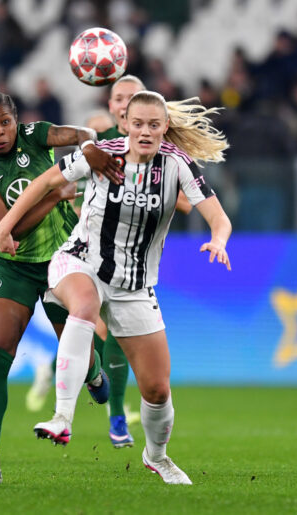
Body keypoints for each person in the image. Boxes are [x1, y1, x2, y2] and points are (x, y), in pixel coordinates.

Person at [0, 91, 232, 485]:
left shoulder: (177, 165)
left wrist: (219, 240)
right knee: (83, 305)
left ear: (164, 128)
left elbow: (217, 216)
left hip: (135, 286)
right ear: (124, 123)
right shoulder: (102, 154)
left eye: (153, 125)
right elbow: (47, 181)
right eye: (137, 123)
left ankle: (156, 456)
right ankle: (62, 418)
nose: (144, 131)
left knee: (157, 389)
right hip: (80, 261)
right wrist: (6, 225)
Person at [0, 89, 121, 486]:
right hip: (13, 267)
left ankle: (94, 374)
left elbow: (84, 132)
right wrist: (56, 195)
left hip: (61, 261)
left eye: (5, 122)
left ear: (17, 120)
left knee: (82, 353)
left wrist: (89, 151)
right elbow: (9, 226)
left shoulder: (35, 135)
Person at [25, 75, 191, 450]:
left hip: (133, 263)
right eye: (119, 97)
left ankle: (103, 400)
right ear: (115, 107)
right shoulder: (99, 143)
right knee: (91, 322)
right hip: (89, 254)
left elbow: (185, 200)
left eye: (131, 97)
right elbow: (63, 185)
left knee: (111, 336)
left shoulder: (161, 155)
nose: (124, 102)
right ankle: (98, 405)